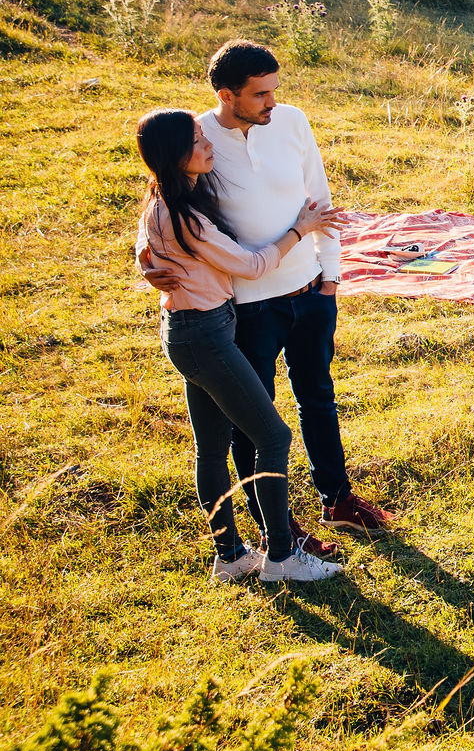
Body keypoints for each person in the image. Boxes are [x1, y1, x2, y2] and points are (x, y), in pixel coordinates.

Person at [139, 41, 394, 550]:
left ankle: (337, 500)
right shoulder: (198, 139)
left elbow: (320, 201)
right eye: (260, 95)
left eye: (275, 90)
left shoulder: (293, 121)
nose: (272, 103)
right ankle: (276, 525)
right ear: (226, 95)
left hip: (310, 290)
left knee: (318, 397)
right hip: (247, 303)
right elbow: (161, 198)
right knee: (253, 420)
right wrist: (146, 259)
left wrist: (332, 277)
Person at [135, 107, 344, 583]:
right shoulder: (186, 216)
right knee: (273, 437)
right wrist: (300, 230)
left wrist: (145, 262)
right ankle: (281, 556)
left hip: (191, 331)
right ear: (176, 155)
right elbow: (251, 266)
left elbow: (147, 245)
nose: (207, 144)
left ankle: (229, 556)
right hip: (205, 334)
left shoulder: (162, 200)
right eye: (197, 141)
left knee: (210, 449)